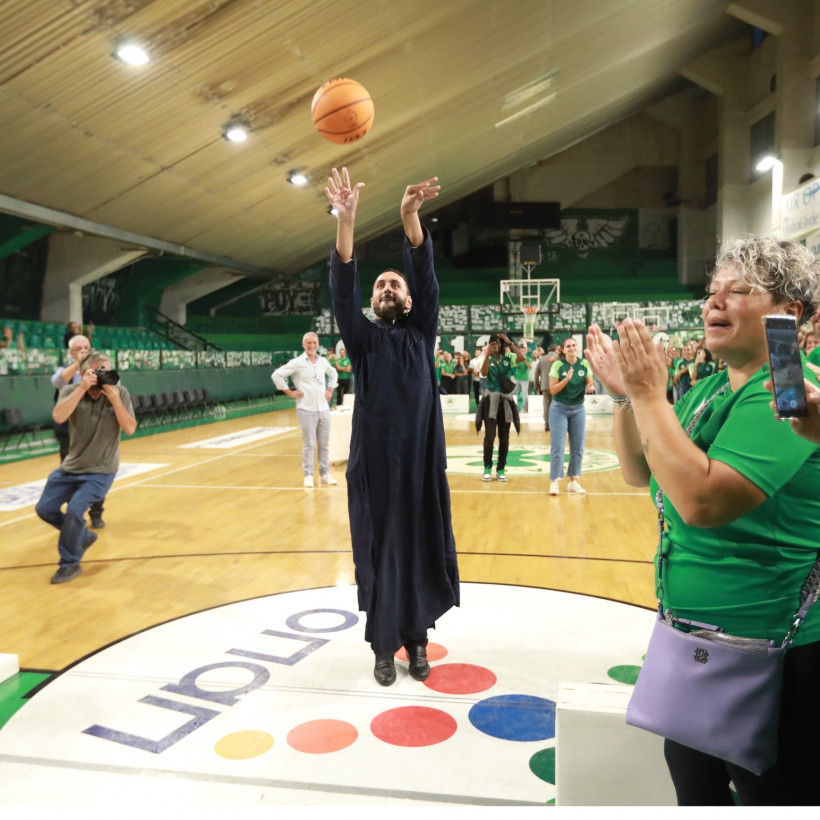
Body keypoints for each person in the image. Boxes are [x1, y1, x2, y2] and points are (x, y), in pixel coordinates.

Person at [586, 236, 820, 806]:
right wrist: (627, 398)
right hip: (699, 641)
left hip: (776, 654)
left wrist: (649, 394)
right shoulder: (710, 389)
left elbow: (703, 502)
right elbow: (640, 472)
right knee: (696, 785)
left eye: (738, 291)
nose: (713, 301)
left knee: (773, 796)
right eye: (712, 291)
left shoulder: (789, 386)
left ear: (788, 312)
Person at [326, 166, 459, 687]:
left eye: (394, 284)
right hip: (376, 470)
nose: (386, 287)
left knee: (421, 550)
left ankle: (417, 640)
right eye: (380, 284)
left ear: (408, 300)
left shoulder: (422, 334)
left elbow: (425, 274)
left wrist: (409, 217)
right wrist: (346, 222)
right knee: (380, 554)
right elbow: (343, 289)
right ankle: (384, 647)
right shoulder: (363, 341)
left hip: (421, 468)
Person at [35, 350, 136, 584]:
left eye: (105, 371)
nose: (101, 376)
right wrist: (81, 389)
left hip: (101, 470)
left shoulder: (120, 393)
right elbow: (59, 417)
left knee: (74, 510)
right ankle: (82, 535)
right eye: (95, 372)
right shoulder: (71, 390)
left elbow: (130, 428)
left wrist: (115, 401)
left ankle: (69, 563)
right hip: (71, 467)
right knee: (44, 509)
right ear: (83, 374)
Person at [50, 334, 106, 528]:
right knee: (69, 471)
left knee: (96, 470)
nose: (83, 351)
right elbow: (59, 381)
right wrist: (78, 364)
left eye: (86, 347)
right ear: (71, 352)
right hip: (69, 429)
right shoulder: (64, 369)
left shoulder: (100, 369)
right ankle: (75, 515)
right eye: (78, 348)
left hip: (93, 427)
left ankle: (96, 513)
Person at [271, 332, 338, 488]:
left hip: (323, 409)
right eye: (309, 342)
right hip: (306, 409)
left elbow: (333, 373)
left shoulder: (323, 361)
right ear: (303, 344)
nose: (312, 345)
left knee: (324, 444)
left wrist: (330, 389)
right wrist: (289, 392)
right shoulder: (297, 362)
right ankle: (308, 475)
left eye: (314, 342)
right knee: (309, 444)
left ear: (318, 344)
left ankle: (325, 474)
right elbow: (277, 375)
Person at [548, 337, 595, 495]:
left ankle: (573, 482)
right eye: (568, 346)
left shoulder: (584, 364)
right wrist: (566, 379)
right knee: (558, 447)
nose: (572, 348)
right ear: (563, 350)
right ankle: (555, 481)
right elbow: (553, 390)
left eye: (574, 345)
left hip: (578, 409)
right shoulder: (558, 365)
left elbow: (590, 384)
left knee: (578, 447)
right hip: (559, 408)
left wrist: (590, 388)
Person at [477, 332, 524, 481]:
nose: (496, 345)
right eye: (493, 342)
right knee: (490, 436)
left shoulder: (508, 357)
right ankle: (487, 467)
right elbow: (483, 373)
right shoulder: (485, 358)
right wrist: (488, 354)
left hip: (505, 401)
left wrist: (509, 342)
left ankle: (501, 468)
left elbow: (522, 358)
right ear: (489, 344)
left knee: (504, 438)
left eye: (498, 342)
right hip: (490, 401)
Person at [534, 343, 560, 431]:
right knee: (556, 405)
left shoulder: (541, 359)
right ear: (556, 349)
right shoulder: (559, 358)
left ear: (548, 350)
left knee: (546, 406)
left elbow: (536, 373)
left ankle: (547, 424)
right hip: (556, 386)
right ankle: (555, 423)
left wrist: (536, 385)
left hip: (544, 386)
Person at [512, 340, 531, 412]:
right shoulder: (516, 358)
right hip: (517, 378)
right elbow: (514, 365)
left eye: (524, 350)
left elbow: (530, 366)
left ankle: (524, 408)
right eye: (521, 350)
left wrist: (524, 359)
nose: (522, 351)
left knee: (524, 394)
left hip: (525, 379)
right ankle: (513, 407)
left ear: (526, 351)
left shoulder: (528, 359)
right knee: (513, 393)